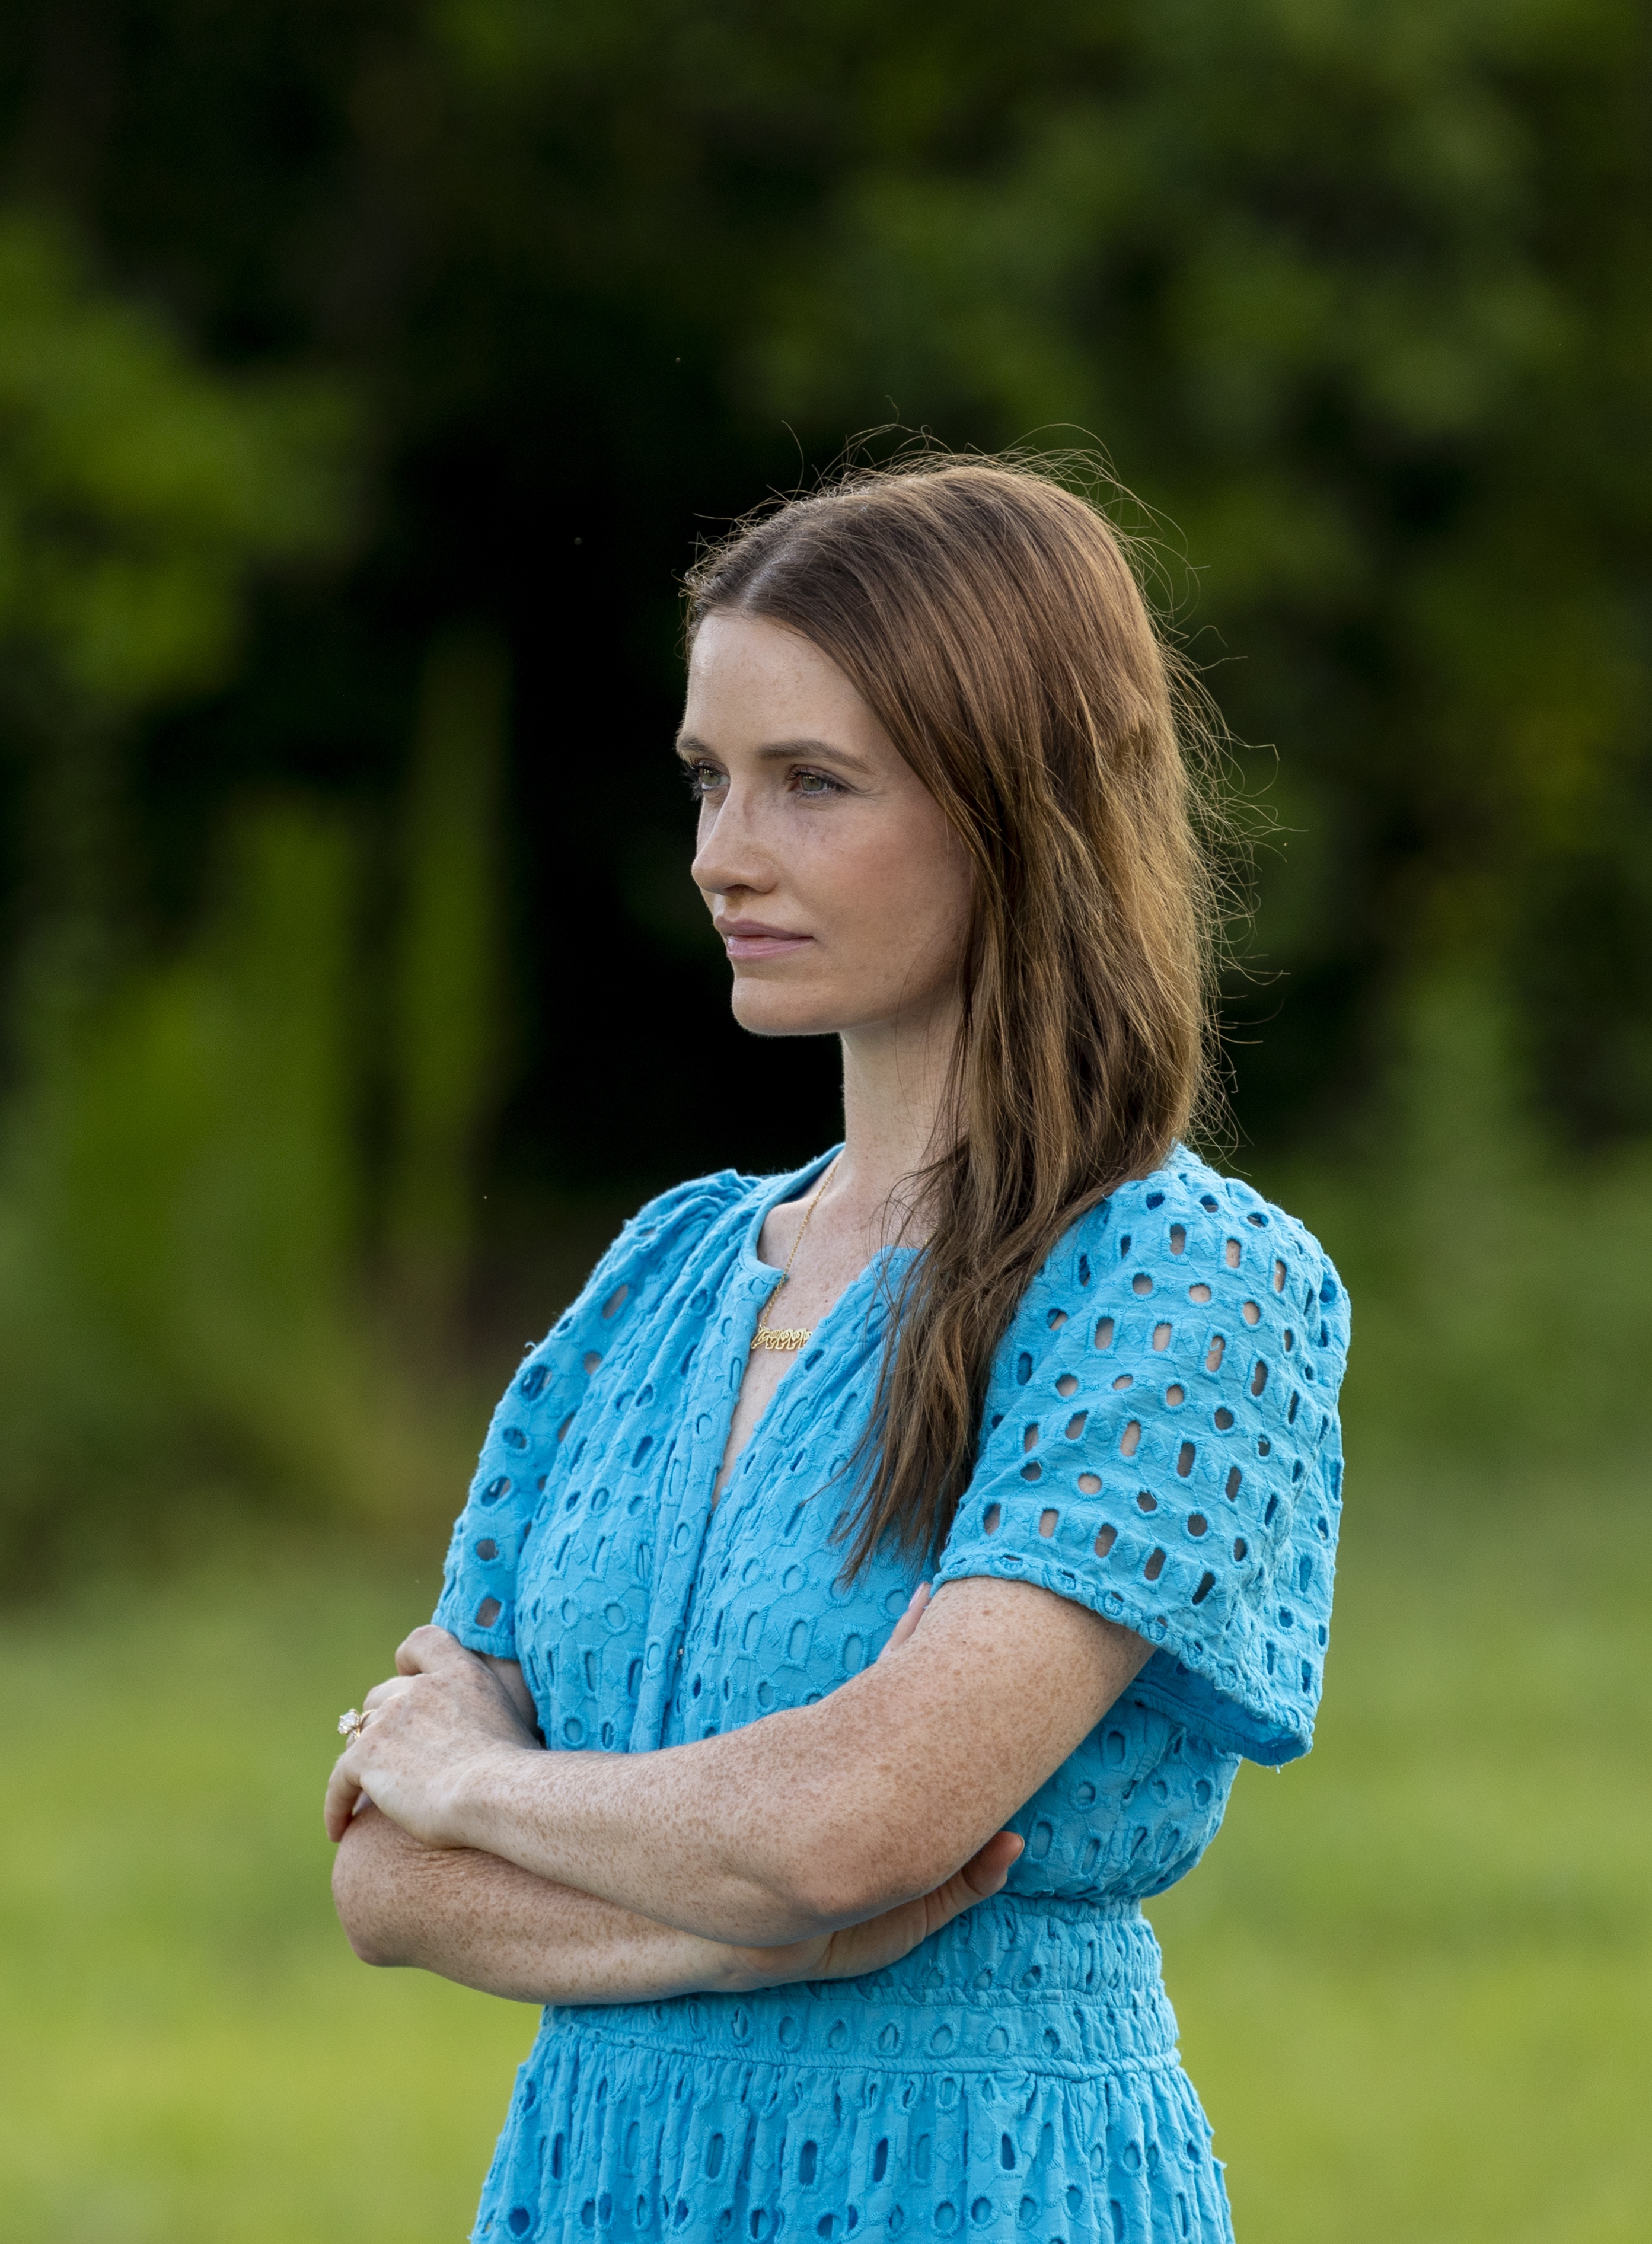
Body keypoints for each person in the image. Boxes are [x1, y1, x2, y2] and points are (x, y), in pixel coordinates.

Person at [324, 457, 1347, 2243]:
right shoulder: (663, 1274)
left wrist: (490, 1784)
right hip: (595, 2191)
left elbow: (851, 1826)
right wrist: (733, 1924)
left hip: (980, 2191)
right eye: (712, 779)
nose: (725, 854)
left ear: (1016, 809)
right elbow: (386, 1877)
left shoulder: (1184, 1280)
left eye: (813, 785)